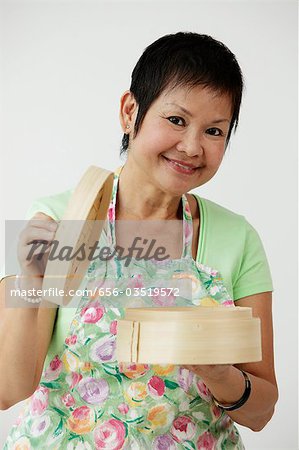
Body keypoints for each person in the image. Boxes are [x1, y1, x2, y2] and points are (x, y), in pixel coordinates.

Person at [1, 32, 278, 449]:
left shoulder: (237, 237)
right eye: (177, 120)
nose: (191, 147)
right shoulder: (62, 219)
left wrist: (219, 374)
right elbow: (9, 389)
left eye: (215, 131)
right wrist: (30, 281)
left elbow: (263, 412)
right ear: (130, 112)